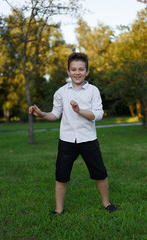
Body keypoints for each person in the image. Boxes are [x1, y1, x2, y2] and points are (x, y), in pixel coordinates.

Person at [29, 52, 117, 215]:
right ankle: (59, 209)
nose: (77, 72)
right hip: (67, 141)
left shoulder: (93, 91)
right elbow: (55, 114)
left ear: (87, 71)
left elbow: (98, 114)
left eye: (81, 69)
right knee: (61, 175)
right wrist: (41, 114)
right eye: (74, 69)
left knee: (100, 173)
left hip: (88, 139)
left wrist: (79, 111)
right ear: (68, 72)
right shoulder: (61, 92)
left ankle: (106, 203)